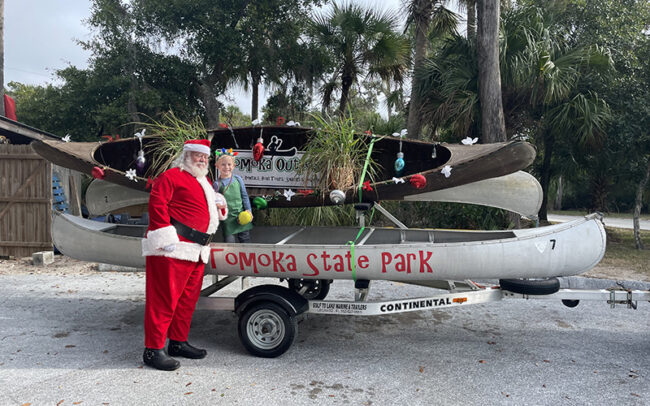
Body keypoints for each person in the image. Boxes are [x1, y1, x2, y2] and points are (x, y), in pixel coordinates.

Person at [140, 139, 227, 371]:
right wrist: (164, 236)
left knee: (186, 302)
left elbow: (205, 211)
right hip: (173, 248)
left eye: (205, 157)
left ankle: (177, 342)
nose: (202, 160)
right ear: (186, 156)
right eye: (197, 156)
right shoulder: (171, 177)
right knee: (164, 301)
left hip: (196, 251)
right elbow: (157, 204)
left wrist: (218, 205)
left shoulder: (204, 181)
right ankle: (153, 350)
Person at [213, 151, 253, 243]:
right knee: (229, 242)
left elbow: (244, 196)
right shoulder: (217, 184)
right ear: (217, 166)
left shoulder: (238, 179)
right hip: (227, 218)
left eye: (229, 164)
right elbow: (214, 201)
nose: (226, 167)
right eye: (223, 165)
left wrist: (249, 211)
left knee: (245, 239)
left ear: (234, 165)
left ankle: (247, 256)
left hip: (241, 214)